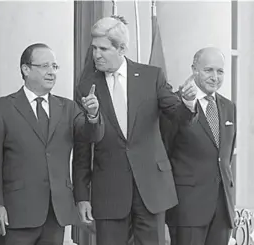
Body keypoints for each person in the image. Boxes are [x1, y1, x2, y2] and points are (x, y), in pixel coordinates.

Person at [73, 16, 197, 245]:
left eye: (103, 48)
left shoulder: (151, 76)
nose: (96, 55)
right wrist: (81, 195)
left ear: (121, 49)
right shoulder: (86, 85)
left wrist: (189, 103)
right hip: (109, 190)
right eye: (94, 48)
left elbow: (177, 116)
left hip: (151, 188)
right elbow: (82, 143)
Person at [0, 43, 104, 245]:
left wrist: (93, 115)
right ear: (26, 69)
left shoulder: (68, 108)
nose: (52, 72)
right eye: (45, 66)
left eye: (55, 67)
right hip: (17, 212)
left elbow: (90, 135)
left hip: (55, 213)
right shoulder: (2, 107)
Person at [162, 47, 236, 245]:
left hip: (222, 211)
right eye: (208, 70)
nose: (215, 77)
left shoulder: (229, 107)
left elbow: (224, 158)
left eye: (220, 71)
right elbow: (164, 152)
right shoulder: (173, 104)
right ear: (194, 69)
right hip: (188, 209)